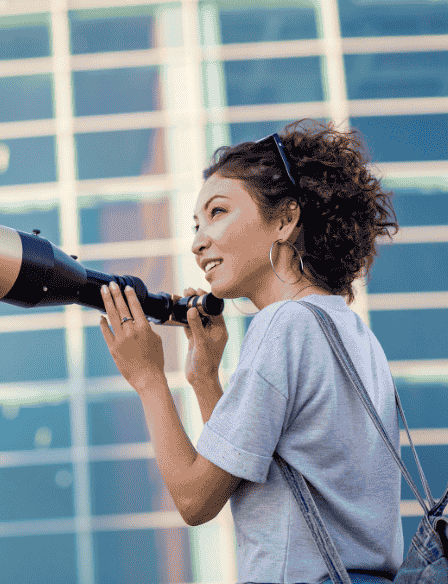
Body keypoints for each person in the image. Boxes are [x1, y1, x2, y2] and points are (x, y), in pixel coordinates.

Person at [99, 119, 402, 584]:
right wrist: (205, 379)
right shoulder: (351, 333)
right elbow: (244, 472)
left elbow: (195, 499)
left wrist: (148, 378)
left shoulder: (283, 325)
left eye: (218, 213)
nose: (198, 242)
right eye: (196, 224)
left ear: (284, 220)